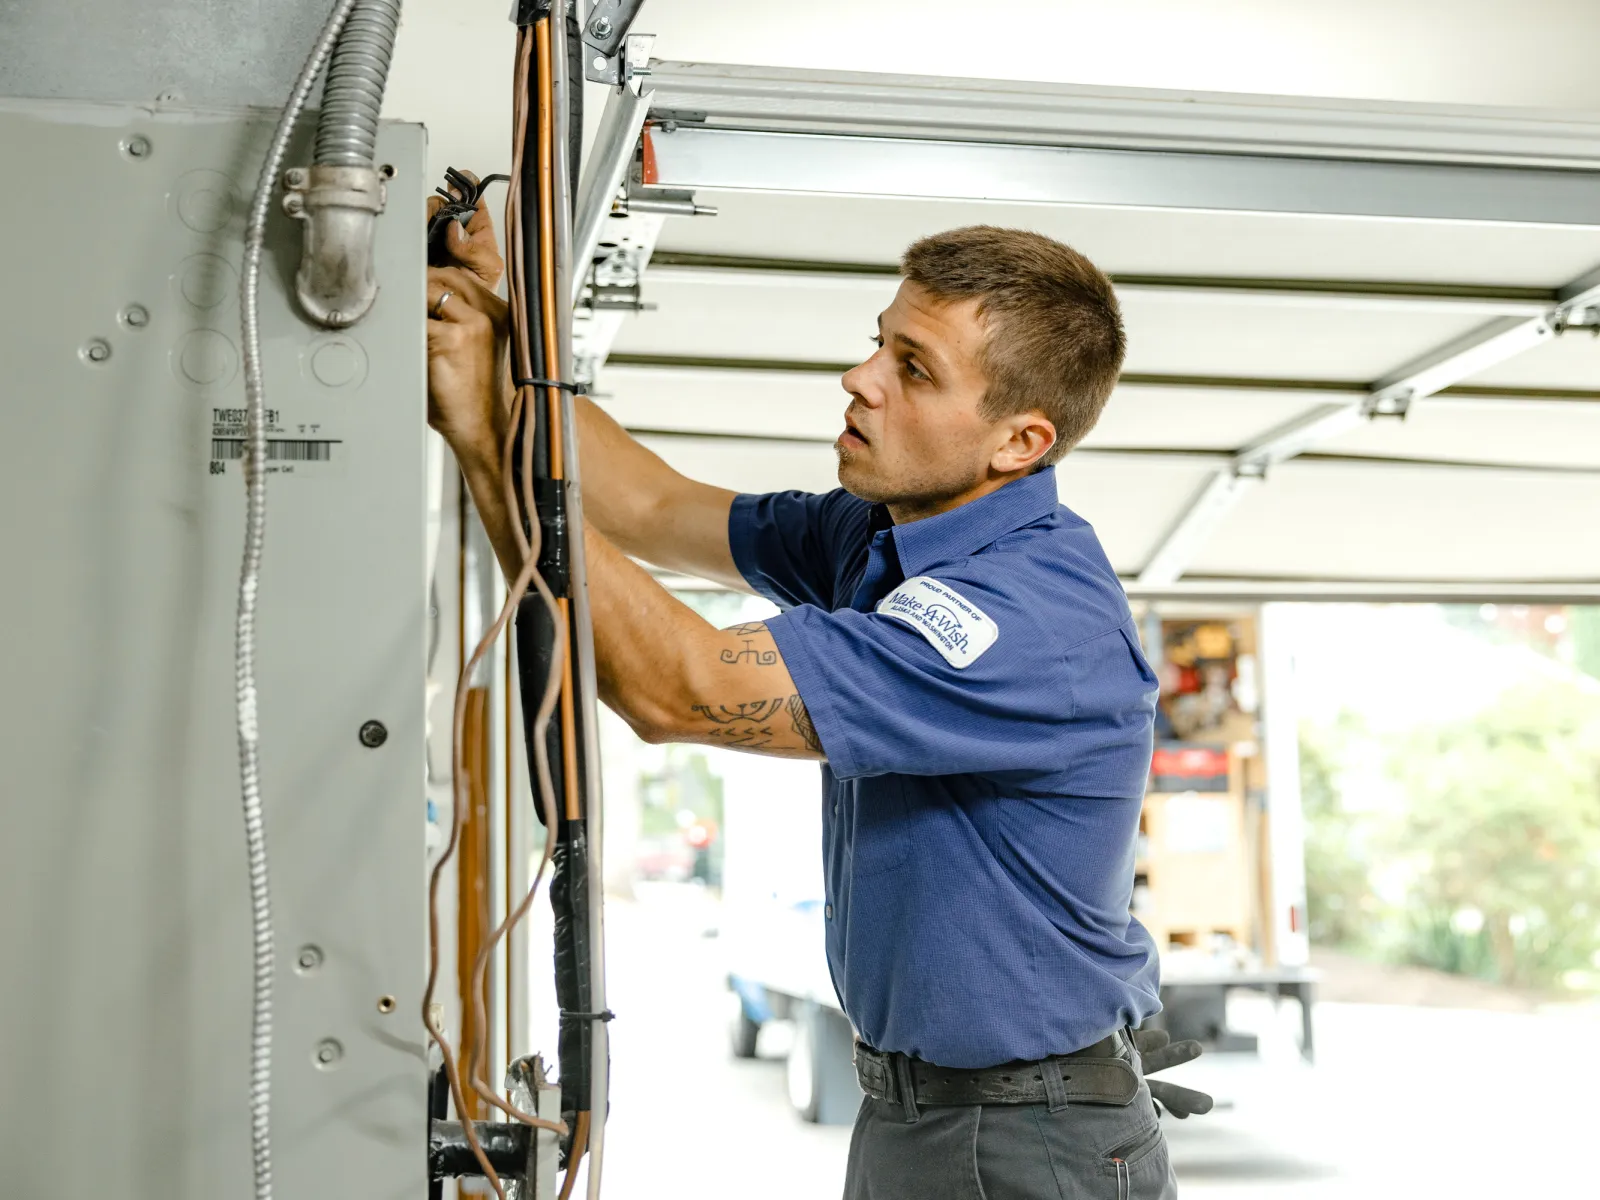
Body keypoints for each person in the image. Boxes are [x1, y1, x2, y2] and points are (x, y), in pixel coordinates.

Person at [426, 202, 1205, 1198]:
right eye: (878, 345)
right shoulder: (876, 534)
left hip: (1024, 1138)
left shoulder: (1026, 622)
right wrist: (499, 338)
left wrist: (488, 445)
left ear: (1019, 441)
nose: (860, 379)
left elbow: (681, 689)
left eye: (912, 369)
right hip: (920, 1111)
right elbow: (650, 505)